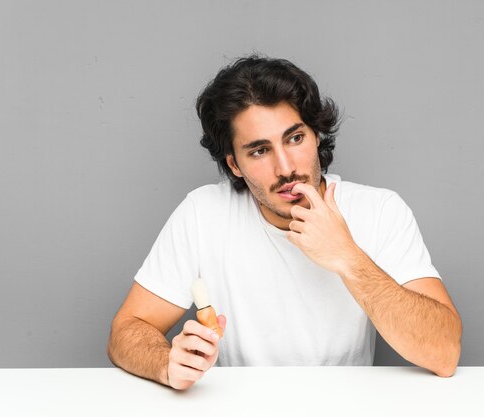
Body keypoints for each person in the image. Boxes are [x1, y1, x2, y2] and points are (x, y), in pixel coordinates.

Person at [107, 55, 462, 390]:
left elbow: (444, 352)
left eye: (295, 138)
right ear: (234, 164)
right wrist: (168, 363)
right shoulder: (203, 213)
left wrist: (348, 257)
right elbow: (126, 330)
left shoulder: (380, 210)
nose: (286, 167)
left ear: (316, 135)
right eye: (259, 151)